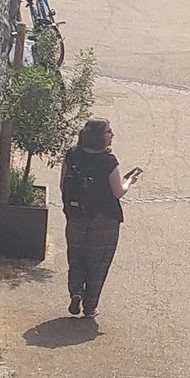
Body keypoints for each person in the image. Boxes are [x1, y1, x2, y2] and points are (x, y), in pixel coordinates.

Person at [60, 118, 141, 319]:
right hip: (105, 219)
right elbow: (117, 192)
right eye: (108, 132)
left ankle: (76, 291)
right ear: (99, 137)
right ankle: (90, 306)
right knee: (98, 261)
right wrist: (129, 181)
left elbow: (63, 186)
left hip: (76, 215)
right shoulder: (108, 161)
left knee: (76, 256)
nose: (112, 135)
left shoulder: (72, 155)